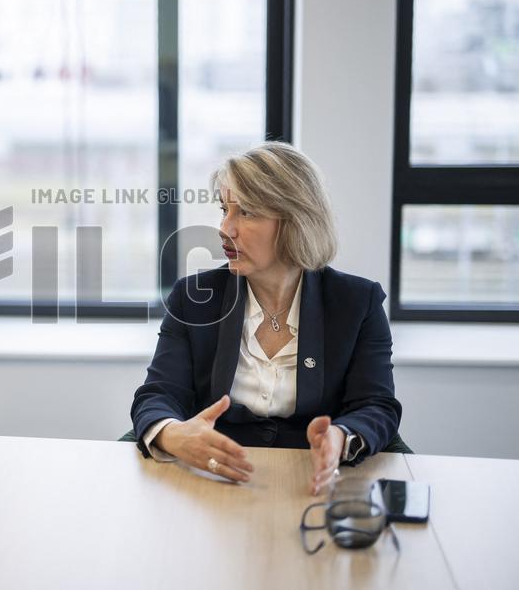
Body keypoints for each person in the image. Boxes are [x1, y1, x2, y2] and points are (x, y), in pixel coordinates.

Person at [130, 142, 401, 495]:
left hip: (312, 481)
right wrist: (173, 434)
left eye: (246, 212)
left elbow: (376, 405)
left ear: (296, 221)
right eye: (224, 209)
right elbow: (159, 393)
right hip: (213, 480)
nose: (225, 228)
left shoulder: (357, 302)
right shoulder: (194, 297)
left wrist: (341, 436)